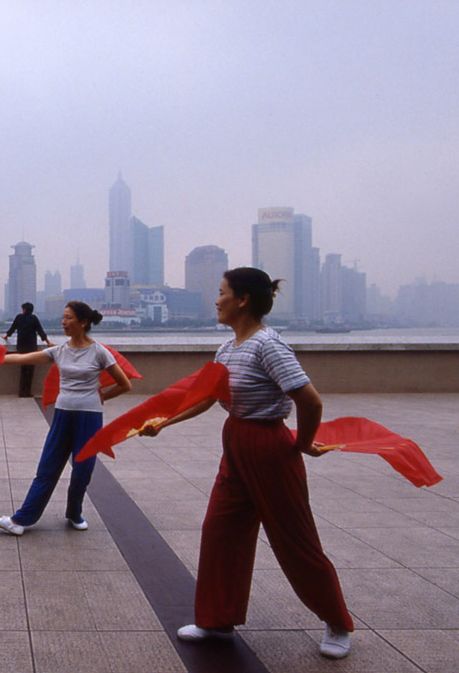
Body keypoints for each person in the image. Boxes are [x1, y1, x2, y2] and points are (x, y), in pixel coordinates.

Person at [139, 267, 354, 660]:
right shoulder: (228, 349)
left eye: (221, 293)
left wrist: (302, 445)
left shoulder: (267, 346)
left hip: (270, 446)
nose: (216, 300)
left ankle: (338, 623)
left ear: (243, 300)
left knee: (295, 540)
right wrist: (165, 423)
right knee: (220, 530)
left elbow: (311, 401)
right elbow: (207, 397)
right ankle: (217, 620)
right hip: (236, 441)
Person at [0, 301, 130, 534]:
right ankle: (20, 520)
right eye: (63, 317)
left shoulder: (99, 352)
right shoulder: (60, 350)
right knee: (48, 467)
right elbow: (24, 358)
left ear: (83, 322)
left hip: (89, 418)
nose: (63, 322)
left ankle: (74, 513)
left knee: (82, 470)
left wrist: (101, 395)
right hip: (63, 415)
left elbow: (125, 384)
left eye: (69, 318)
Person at [5, 302, 53, 397]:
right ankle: (27, 392)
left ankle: (21, 391)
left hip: (21, 347)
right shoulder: (34, 318)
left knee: (23, 369)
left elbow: (12, 329)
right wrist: (48, 342)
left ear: (24, 309)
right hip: (31, 347)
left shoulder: (19, 317)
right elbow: (40, 331)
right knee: (30, 371)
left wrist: (6, 335)